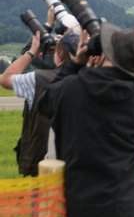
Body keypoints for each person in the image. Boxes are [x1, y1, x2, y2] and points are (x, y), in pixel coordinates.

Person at [42, 23, 134, 217]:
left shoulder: (70, 88)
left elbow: (45, 102)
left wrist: (75, 65)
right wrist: (130, 177)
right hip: (126, 210)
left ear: (104, 54)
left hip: (80, 209)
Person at [0, 30, 78, 176]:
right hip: (77, 165)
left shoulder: (38, 79)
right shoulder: (90, 79)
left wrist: (31, 52)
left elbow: (5, 79)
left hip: (40, 164)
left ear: (59, 55)